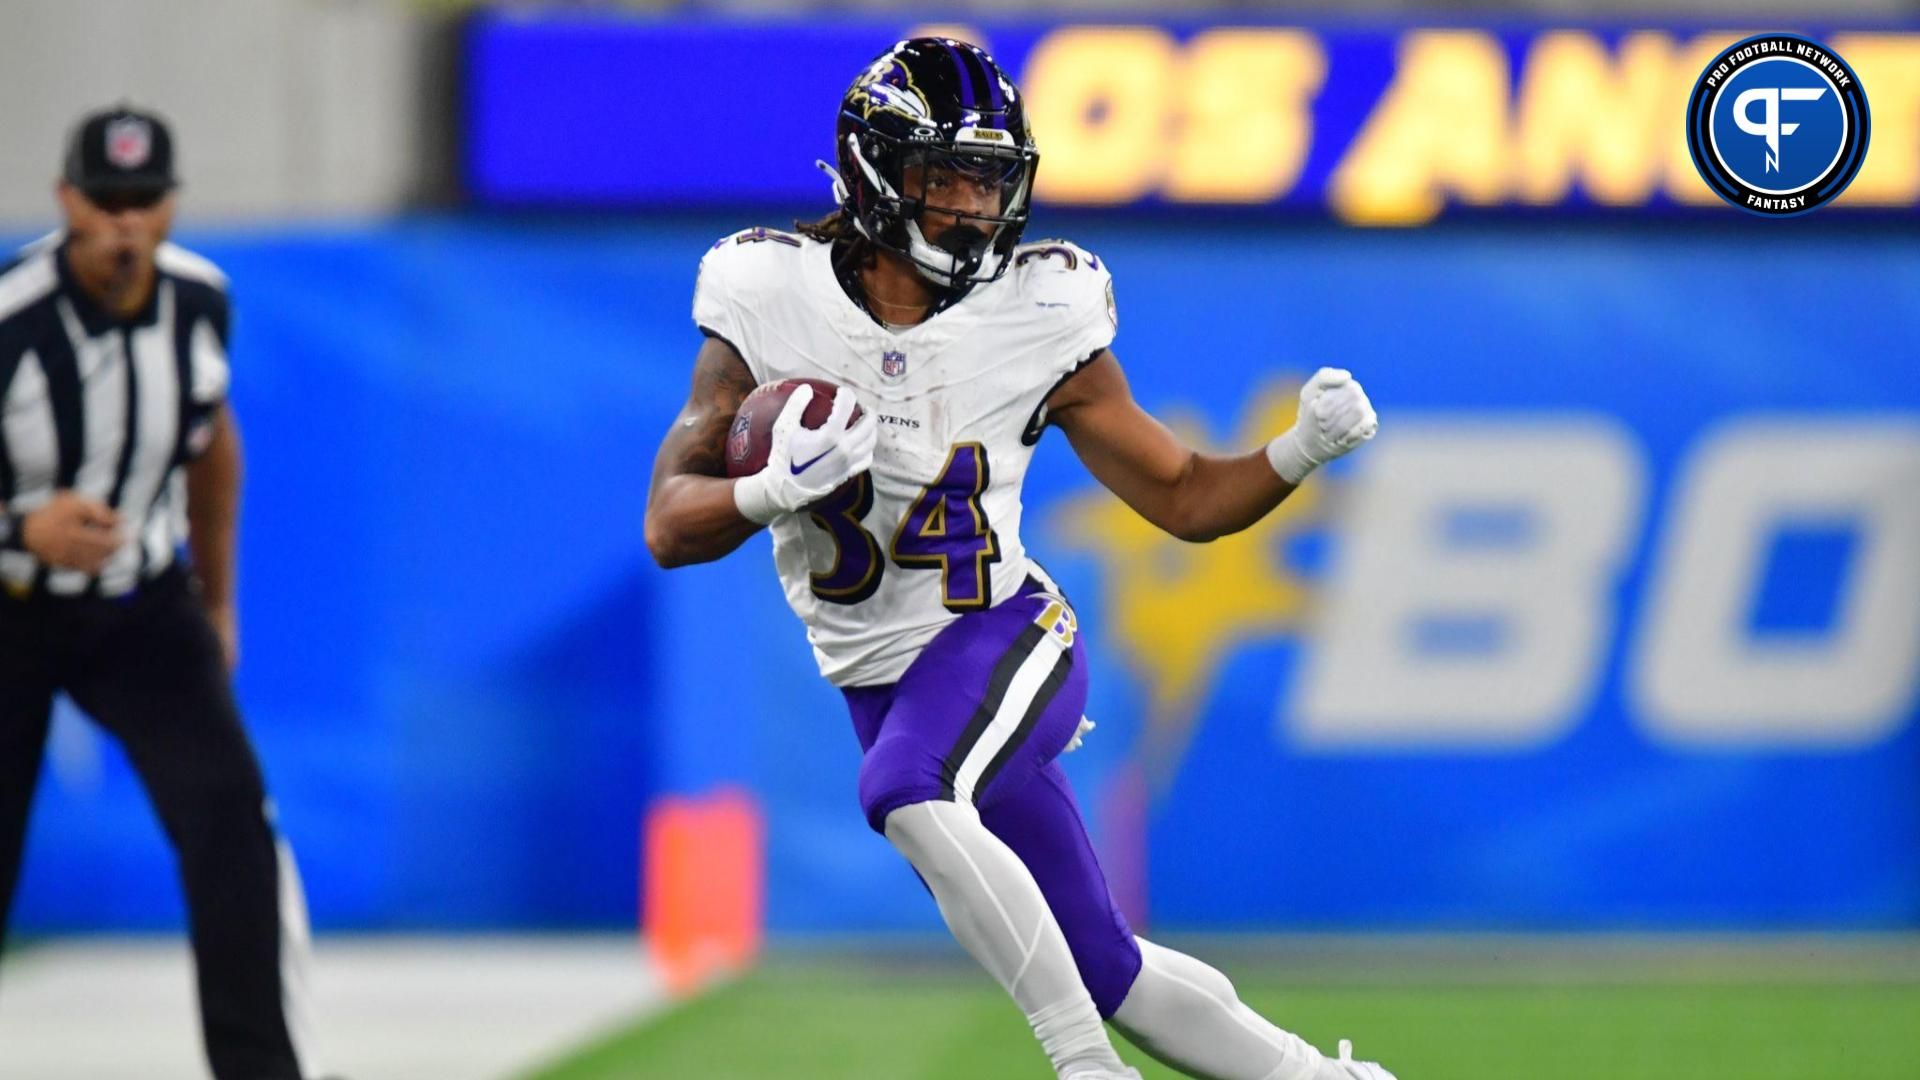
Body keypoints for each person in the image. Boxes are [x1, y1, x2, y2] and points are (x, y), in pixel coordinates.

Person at [645, 40, 1391, 1080]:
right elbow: (670, 526)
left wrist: (1297, 449)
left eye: (989, 179)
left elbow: (1181, 496)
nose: (969, 205)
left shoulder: (1039, 314)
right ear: (873, 174)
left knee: (906, 789)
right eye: (943, 175)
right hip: (878, 676)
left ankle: (1084, 1070)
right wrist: (773, 487)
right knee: (1107, 968)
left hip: (1002, 633)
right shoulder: (768, 295)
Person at [0, 106, 324, 1080]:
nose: (126, 225)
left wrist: (216, 602)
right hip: (12, 605)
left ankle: (259, 1070)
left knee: (231, 822)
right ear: (67, 203)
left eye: (146, 202)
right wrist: (21, 527)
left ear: (173, 204)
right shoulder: (12, 318)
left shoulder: (199, 300)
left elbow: (212, 448)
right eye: (107, 202)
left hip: (143, 605)